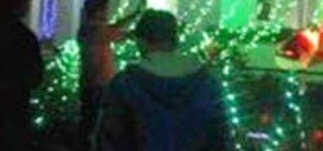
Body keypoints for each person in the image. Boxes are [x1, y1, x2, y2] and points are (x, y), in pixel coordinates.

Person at [97, 10, 229, 151]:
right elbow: (220, 139)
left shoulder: (126, 84)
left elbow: (110, 140)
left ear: (140, 41)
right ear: (175, 39)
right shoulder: (207, 83)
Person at [78, 0, 142, 147]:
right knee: (98, 124)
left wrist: (134, 14)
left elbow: (114, 27)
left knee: (88, 121)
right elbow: (126, 34)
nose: (107, 13)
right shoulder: (97, 30)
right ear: (98, 11)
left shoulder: (87, 28)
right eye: (105, 9)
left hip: (90, 83)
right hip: (99, 83)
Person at [0, 0, 44, 151]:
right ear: (20, 3)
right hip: (13, 101)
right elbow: (35, 74)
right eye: (28, 2)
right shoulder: (23, 36)